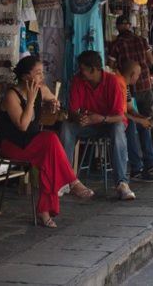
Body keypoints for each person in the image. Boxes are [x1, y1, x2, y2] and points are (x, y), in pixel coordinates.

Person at [0, 55, 94, 227]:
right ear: (26, 77)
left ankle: (45, 211)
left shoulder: (40, 89)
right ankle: (72, 183)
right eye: (38, 73)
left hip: (33, 142)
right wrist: (30, 101)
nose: (42, 78)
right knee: (50, 139)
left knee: (49, 157)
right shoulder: (11, 96)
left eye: (42, 73)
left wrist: (53, 104)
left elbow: (53, 99)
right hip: (13, 145)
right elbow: (22, 125)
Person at [61, 50, 136, 201]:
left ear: (94, 69)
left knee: (118, 128)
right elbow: (73, 111)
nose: (80, 72)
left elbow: (120, 116)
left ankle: (122, 183)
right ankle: (66, 180)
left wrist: (100, 118)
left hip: (108, 123)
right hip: (89, 123)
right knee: (66, 126)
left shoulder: (112, 82)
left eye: (83, 69)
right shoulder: (78, 81)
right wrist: (79, 117)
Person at [117, 56, 153, 182]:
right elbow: (120, 114)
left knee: (144, 123)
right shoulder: (118, 84)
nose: (139, 77)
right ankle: (136, 169)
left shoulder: (126, 86)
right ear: (132, 74)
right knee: (131, 124)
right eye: (138, 75)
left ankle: (150, 162)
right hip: (116, 120)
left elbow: (130, 108)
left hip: (122, 117)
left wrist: (143, 118)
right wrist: (139, 120)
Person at [107, 15, 153, 137]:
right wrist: (142, 70)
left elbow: (110, 66)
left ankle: (134, 152)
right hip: (145, 84)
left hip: (128, 85)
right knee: (148, 115)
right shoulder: (142, 40)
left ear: (118, 27)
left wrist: (125, 70)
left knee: (131, 118)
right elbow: (151, 61)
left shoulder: (116, 44)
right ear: (129, 26)